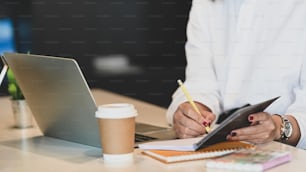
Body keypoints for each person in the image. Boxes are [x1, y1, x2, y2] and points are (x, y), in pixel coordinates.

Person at [167, 0, 306, 149]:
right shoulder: (206, 4)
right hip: (221, 146)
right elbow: (200, 82)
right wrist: (193, 113)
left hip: (288, 154)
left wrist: (279, 128)